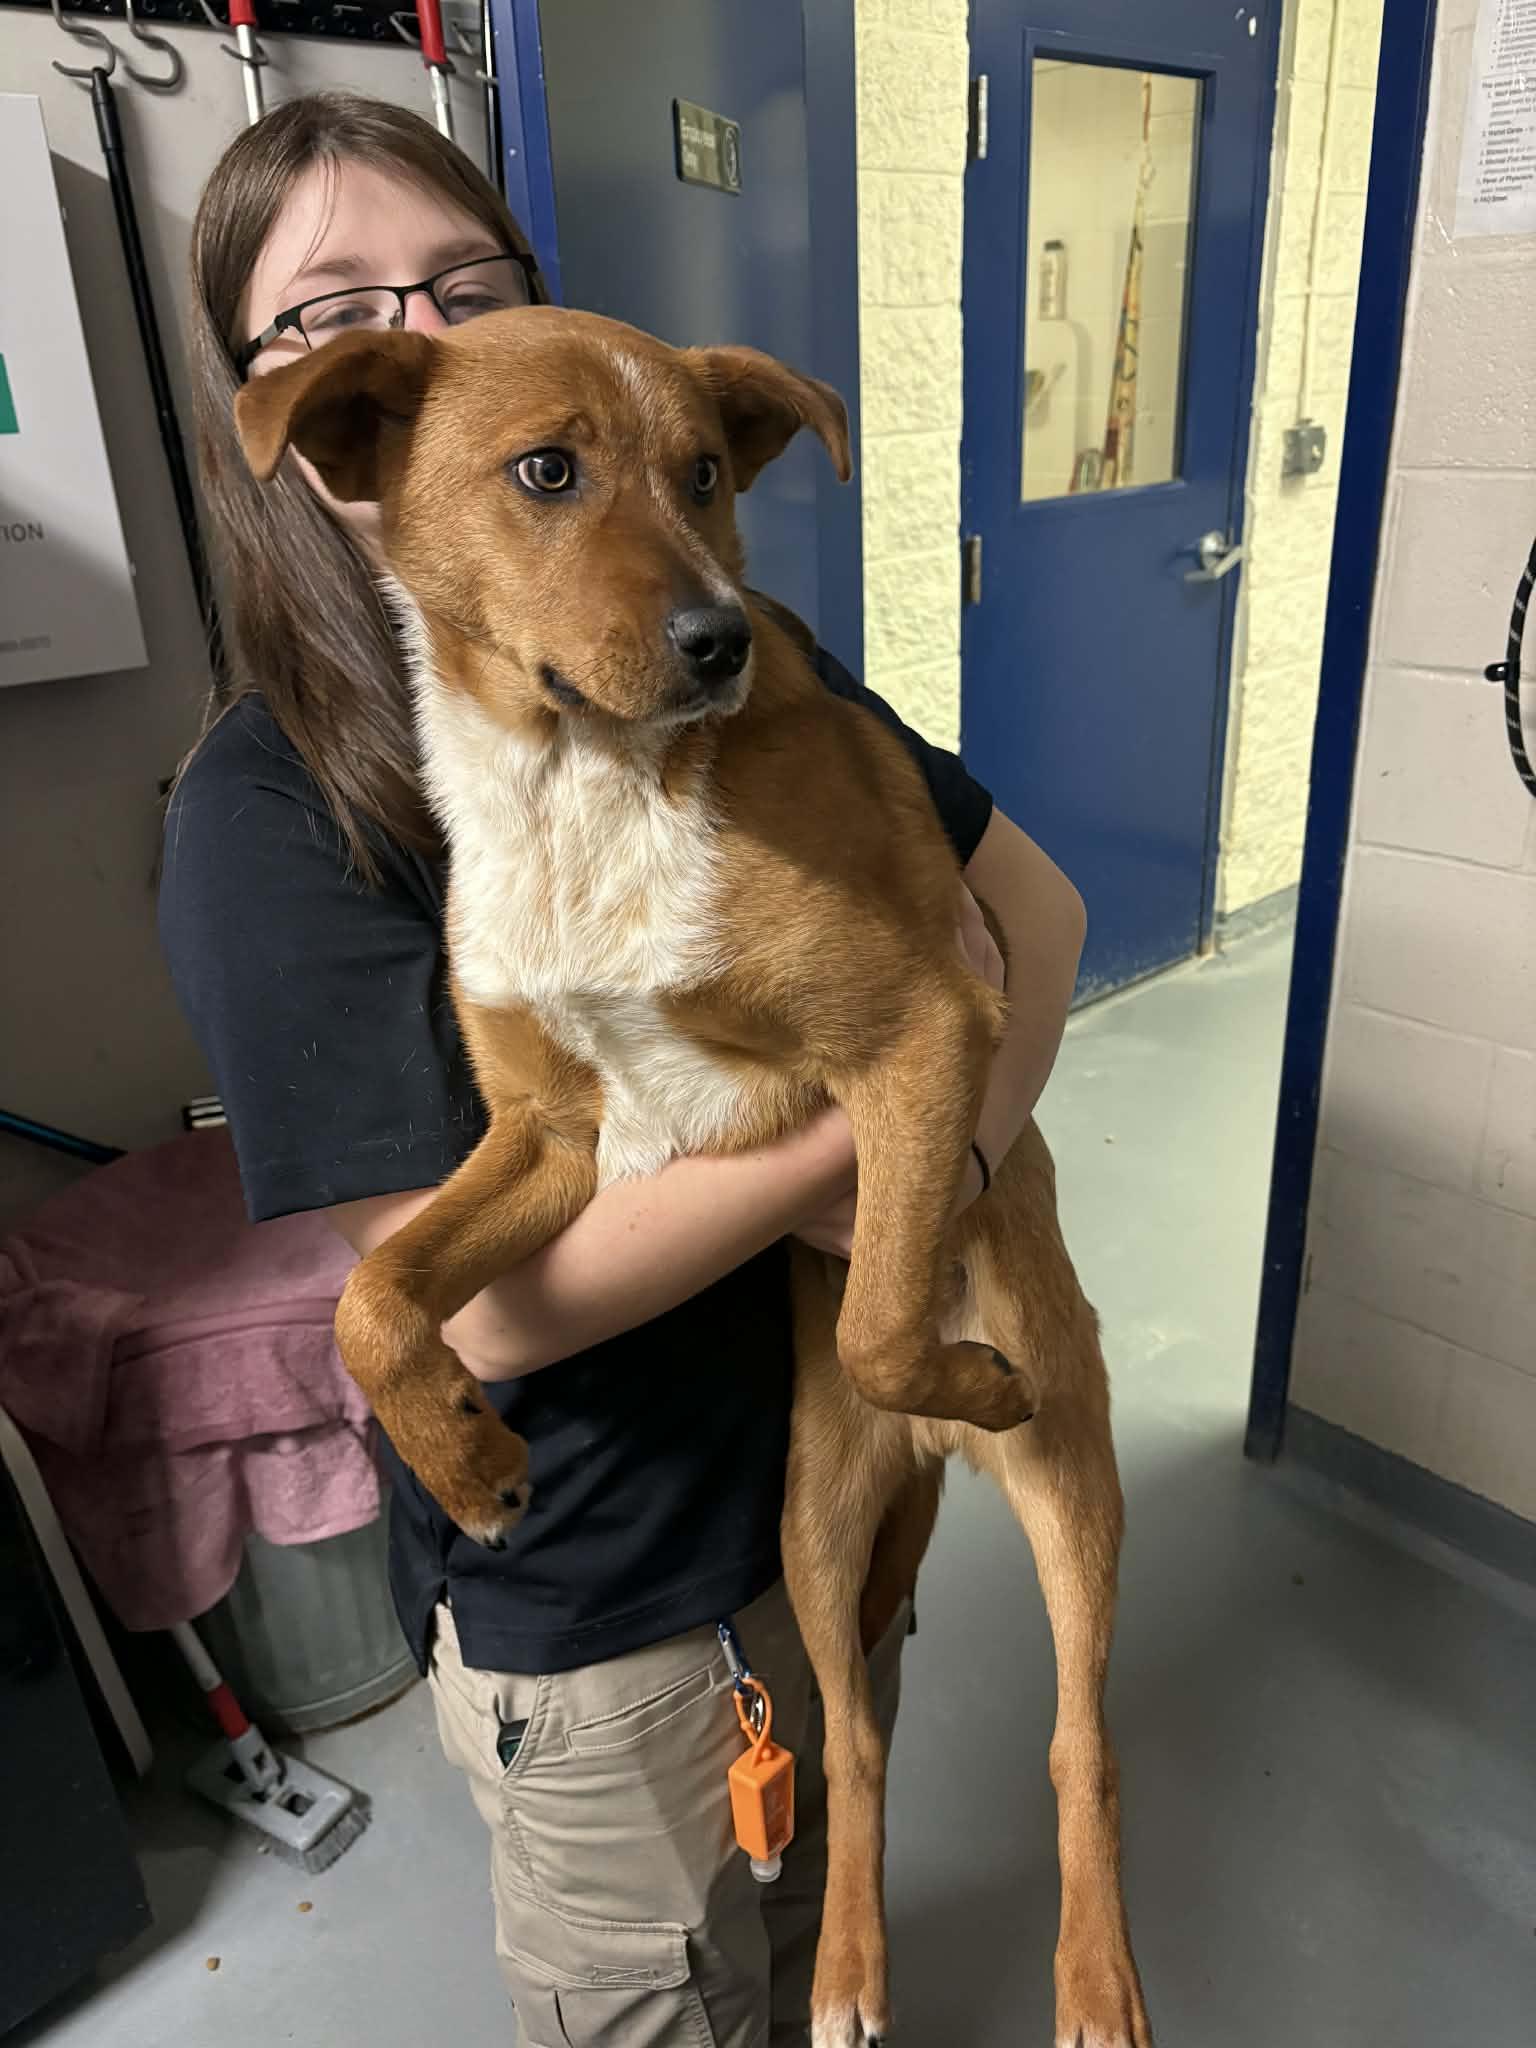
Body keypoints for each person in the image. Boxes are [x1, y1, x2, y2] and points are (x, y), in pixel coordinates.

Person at [161, 91, 1086, 2048]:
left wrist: (938, 1169)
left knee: (844, 1903)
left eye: (466, 282)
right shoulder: (269, 814)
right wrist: (852, 1157)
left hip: (823, 1493)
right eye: (332, 314)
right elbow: (483, 1310)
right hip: (612, 1624)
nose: (674, 569)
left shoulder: (744, 659)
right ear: (319, 427)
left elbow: (1039, 930)